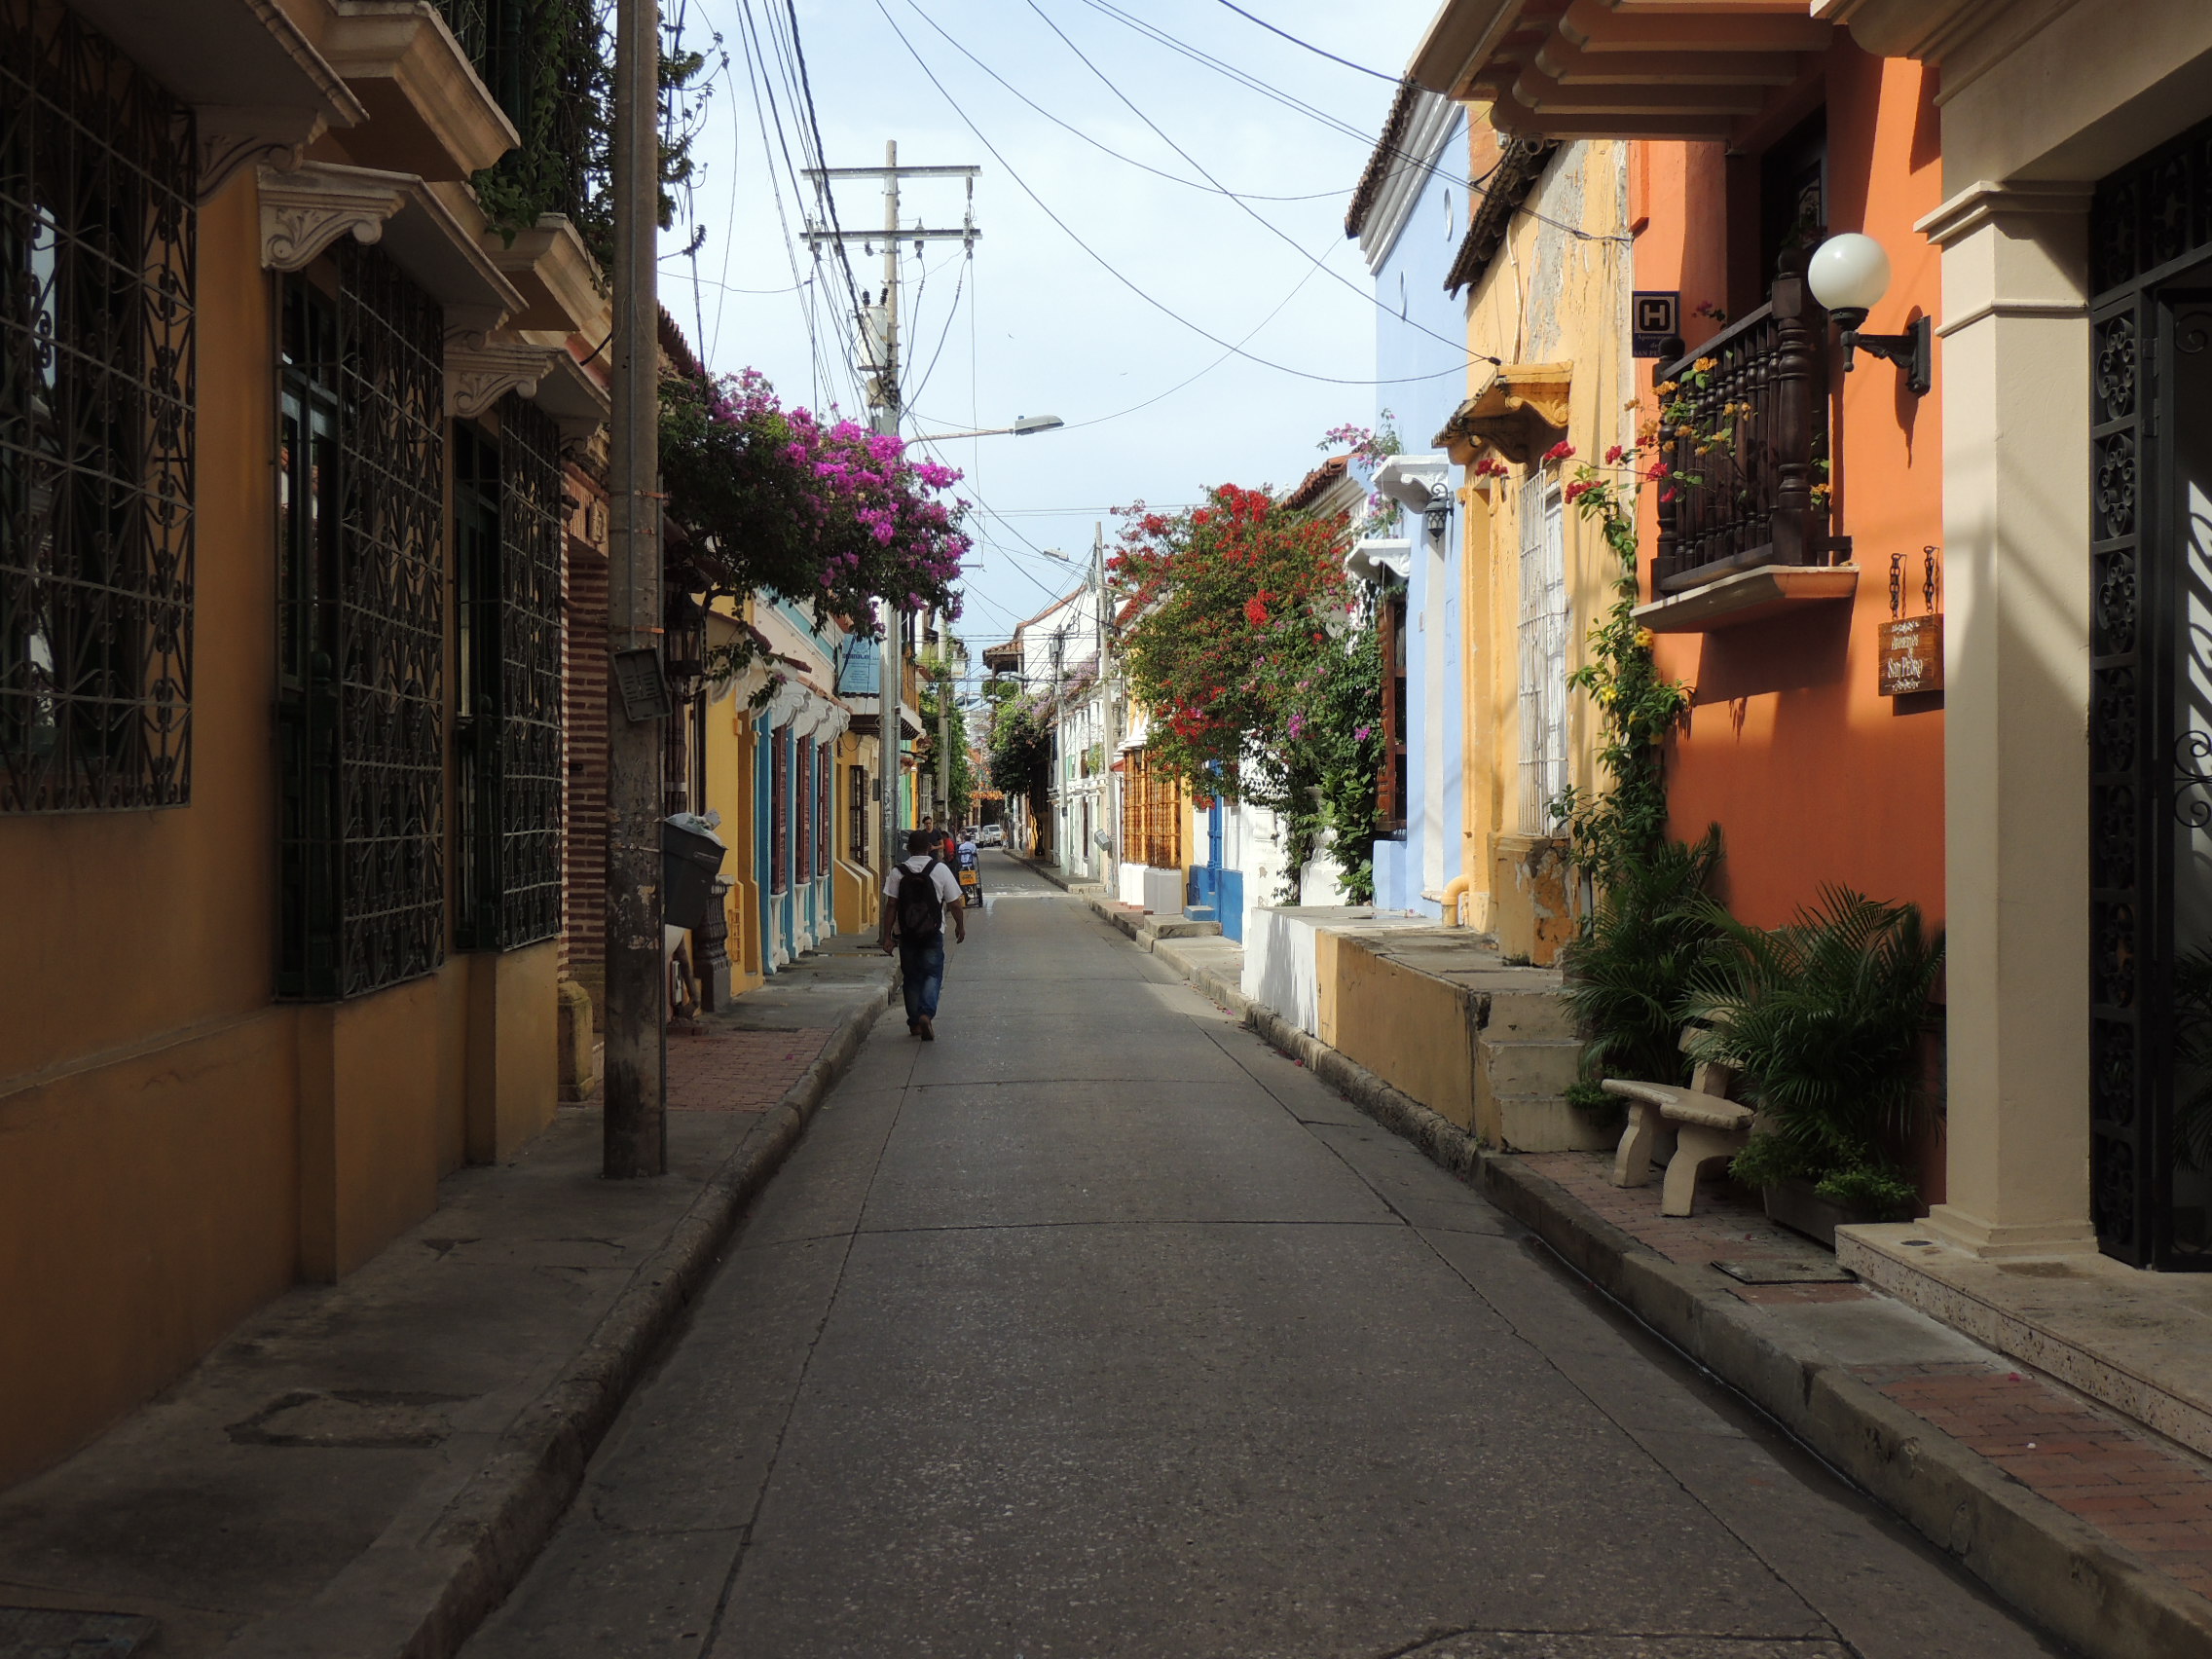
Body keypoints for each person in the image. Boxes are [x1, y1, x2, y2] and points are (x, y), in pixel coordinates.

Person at [880, 827, 966, 1040]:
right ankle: (926, 1013)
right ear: (929, 847)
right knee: (932, 973)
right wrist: (959, 926)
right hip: (932, 932)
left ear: (908, 849)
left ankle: (915, 1023)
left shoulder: (898, 872)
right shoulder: (940, 869)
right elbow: (955, 903)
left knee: (911, 977)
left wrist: (887, 936)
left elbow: (891, 905)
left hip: (906, 933)